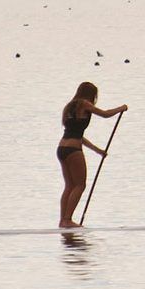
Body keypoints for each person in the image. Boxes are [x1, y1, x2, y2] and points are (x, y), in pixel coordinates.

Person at [57, 82, 127, 228]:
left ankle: (63, 221)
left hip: (62, 148)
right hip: (73, 151)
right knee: (80, 185)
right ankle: (67, 220)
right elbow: (105, 114)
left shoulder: (69, 107)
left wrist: (97, 150)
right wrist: (121, 108)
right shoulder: (84, 103)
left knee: (69, 185)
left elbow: (76, 135)